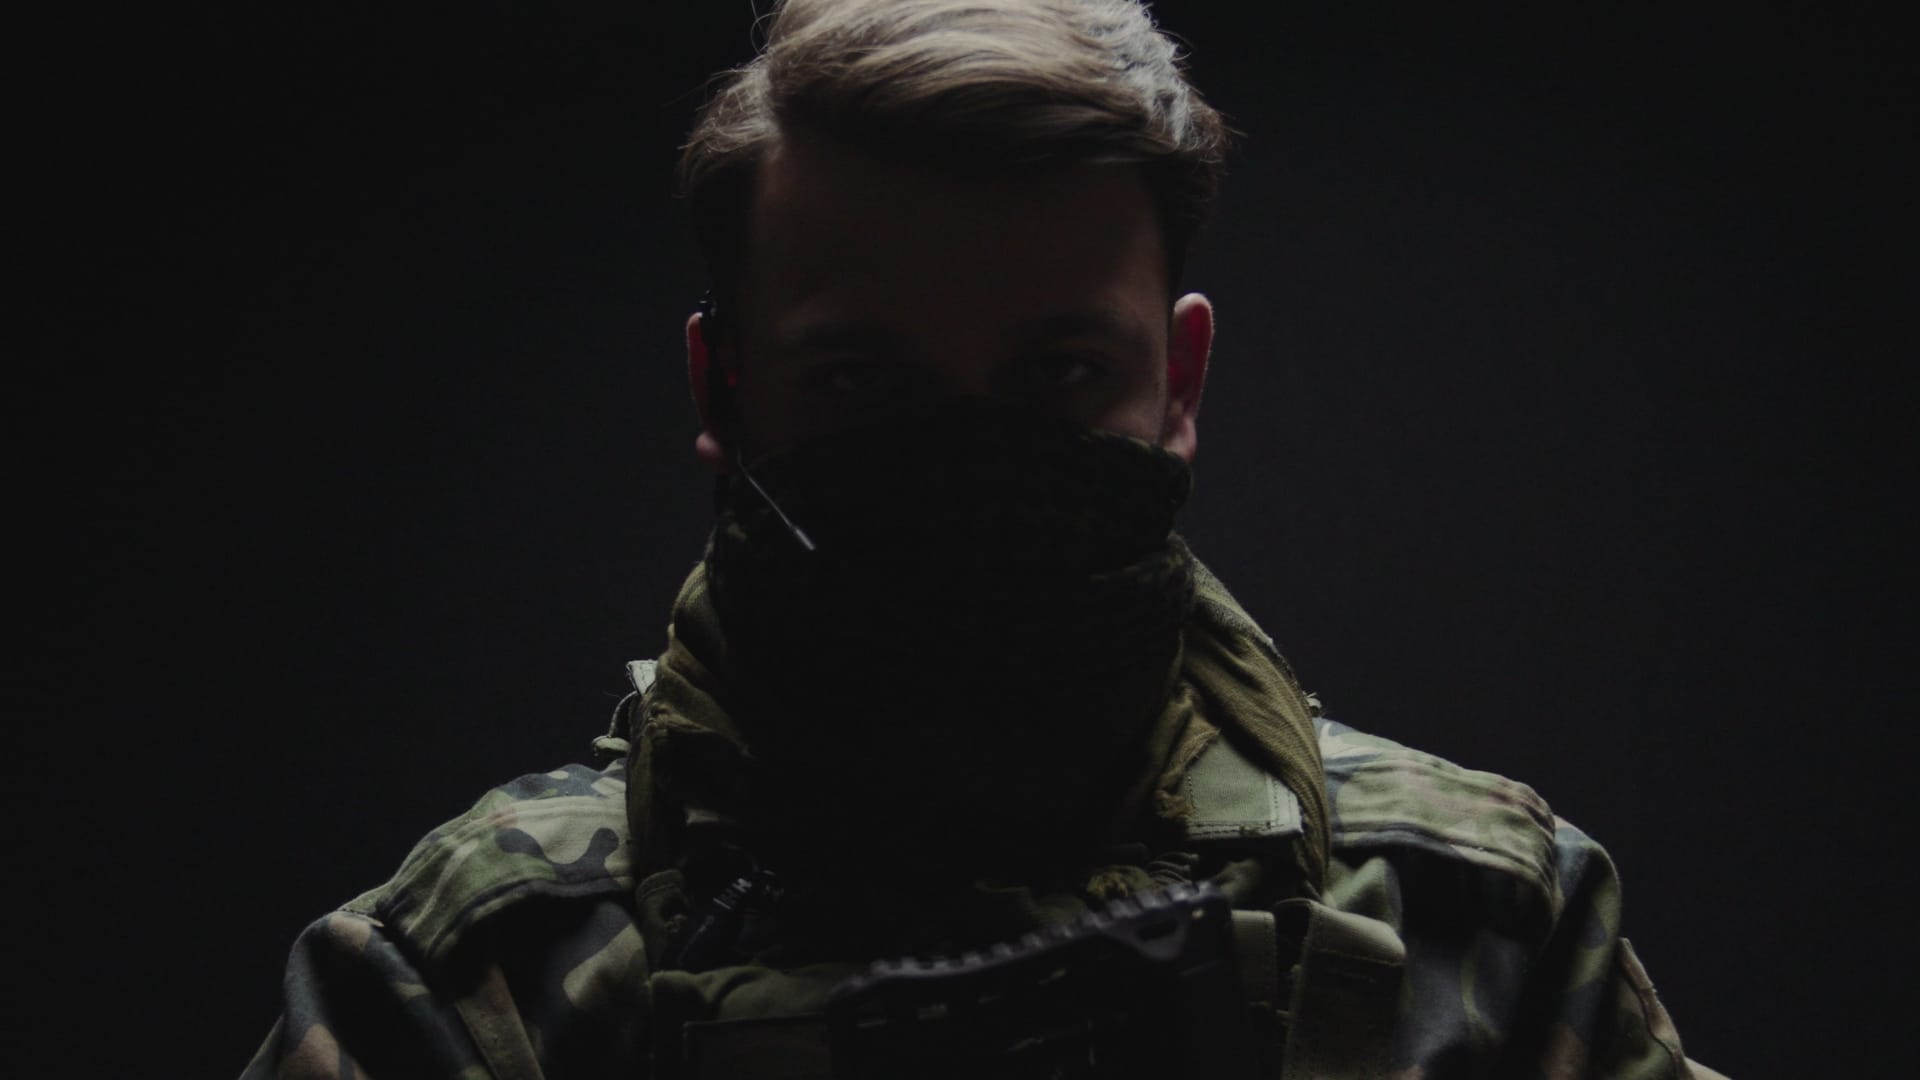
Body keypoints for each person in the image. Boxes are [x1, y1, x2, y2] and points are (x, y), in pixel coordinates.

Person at [245, 1, 1724, 1076]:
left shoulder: (1483, 924)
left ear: (1179, 383)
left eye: (1059, 373)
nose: (969, 455)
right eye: (863, 383)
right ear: (723, 388)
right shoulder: (469, 981)